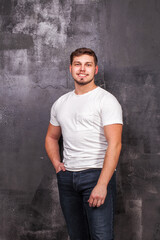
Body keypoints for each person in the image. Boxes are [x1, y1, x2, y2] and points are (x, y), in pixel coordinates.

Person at [45, 47, 123, 240]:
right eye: (78, 64)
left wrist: (102, 184)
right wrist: (57, 164)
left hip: (96, 174)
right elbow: (51, 137)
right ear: (70, 68)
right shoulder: (60, 103)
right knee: (77, 236)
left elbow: (115, 144)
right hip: (67, 178)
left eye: (88, 65)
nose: (82, 69)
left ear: (95, 69)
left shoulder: (106, 101)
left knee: (101, 237)